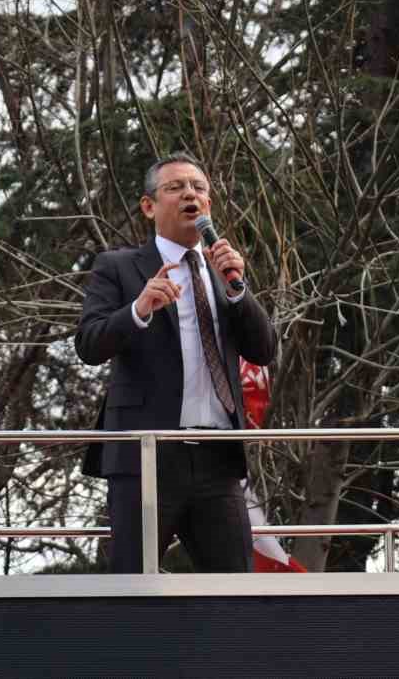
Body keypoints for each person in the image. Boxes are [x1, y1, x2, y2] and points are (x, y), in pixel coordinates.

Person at [75, 154, 278, 573]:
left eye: (198, 188)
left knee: (236, 591)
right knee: (134, 587)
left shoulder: (224, 270)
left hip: (217, 456)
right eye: (176, 187)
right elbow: (89, 345)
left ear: (209, 204)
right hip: (147, 453)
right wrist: (139, 309)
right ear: (149, 206)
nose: (190, 193)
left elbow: (264, 350)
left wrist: (239, 292)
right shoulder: (118, 267)